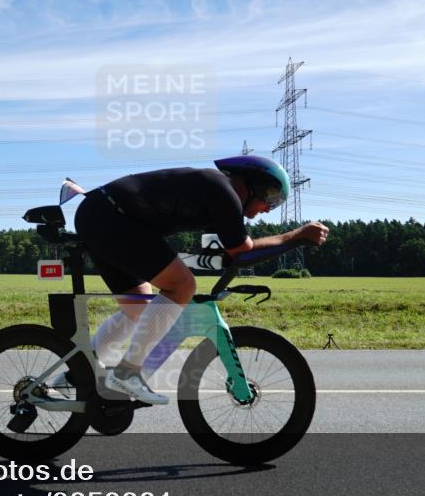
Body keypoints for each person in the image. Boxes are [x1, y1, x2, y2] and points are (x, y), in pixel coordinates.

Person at [72, 155, 329, 405]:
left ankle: (76, 372)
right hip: (110, 217)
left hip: (100, 214)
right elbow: (242, 250)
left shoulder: (215, 191)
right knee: (182, 285)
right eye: (272, 198)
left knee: (138, 307)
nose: (268, 209)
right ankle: (127, 373)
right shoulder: (224, 193)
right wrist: (296, 236)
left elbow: (226, 252)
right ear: (254, 185)